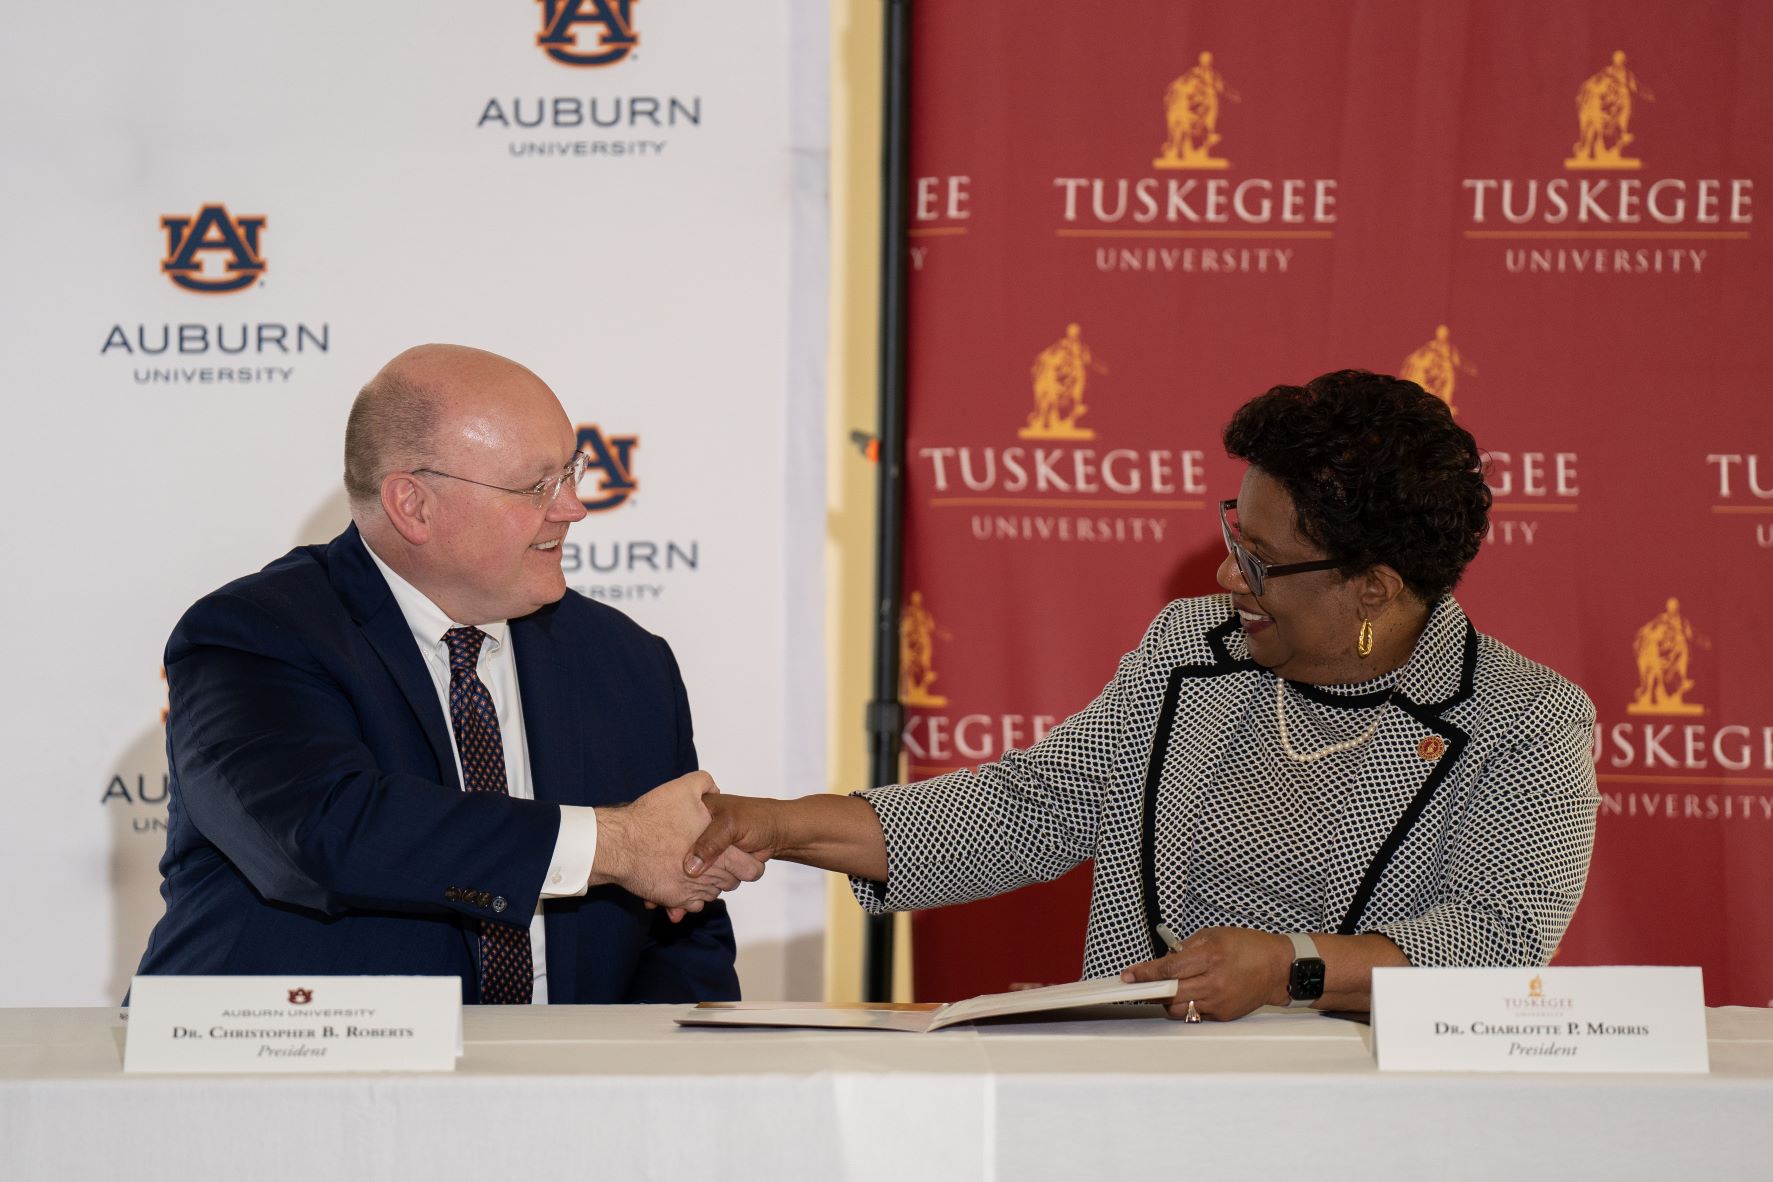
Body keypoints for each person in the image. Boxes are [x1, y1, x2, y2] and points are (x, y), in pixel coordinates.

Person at [688, 370, 1599, 1020]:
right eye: (1233, 534)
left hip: (1359, 1126)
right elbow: (1030, 808)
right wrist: (780, 825)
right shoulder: (1187, 652)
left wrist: (1292, 969)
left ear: (1372, 587)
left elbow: (1494, 941)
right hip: (1135, 1105)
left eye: (1263, 562)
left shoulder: (1523, 721)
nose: (1225, 572)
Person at [135, 344, 760, 1004]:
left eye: (570, 474)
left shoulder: (626, 662)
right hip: (297, 1084)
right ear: (413, 505)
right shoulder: (258, 633)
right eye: (535, 486)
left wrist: (653, 1079)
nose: (573, 508)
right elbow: (328, 833)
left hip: (572, 1090)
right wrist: (616, 844)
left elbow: (682, 927)